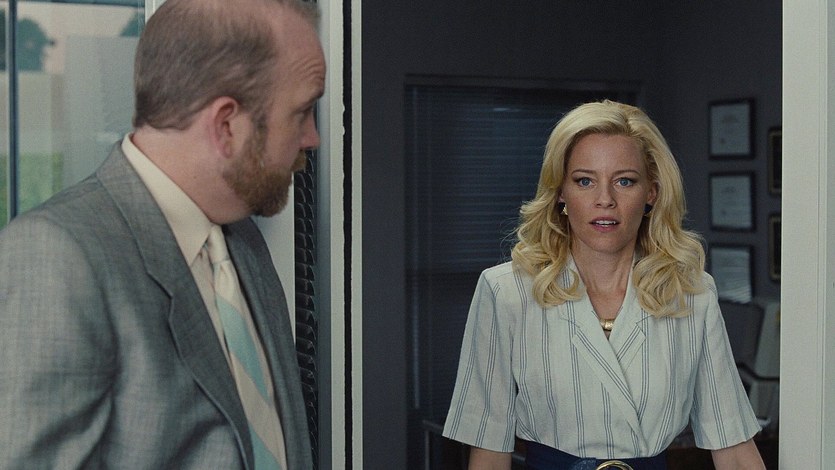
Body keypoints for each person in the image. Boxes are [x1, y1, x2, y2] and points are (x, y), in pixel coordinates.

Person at [0, 0, 325, 468]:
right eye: (302, 112)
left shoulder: (242, 238)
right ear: (226, 125)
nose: (312, 137)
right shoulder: (57, 257)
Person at [443, 100, 765, 469]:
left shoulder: (690, 293)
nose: (605, 200)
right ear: (560, 192)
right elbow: (489, 453)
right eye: (585, 181)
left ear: (651, 192)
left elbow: (734, 451)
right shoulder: (506, 292)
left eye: (624, 181)